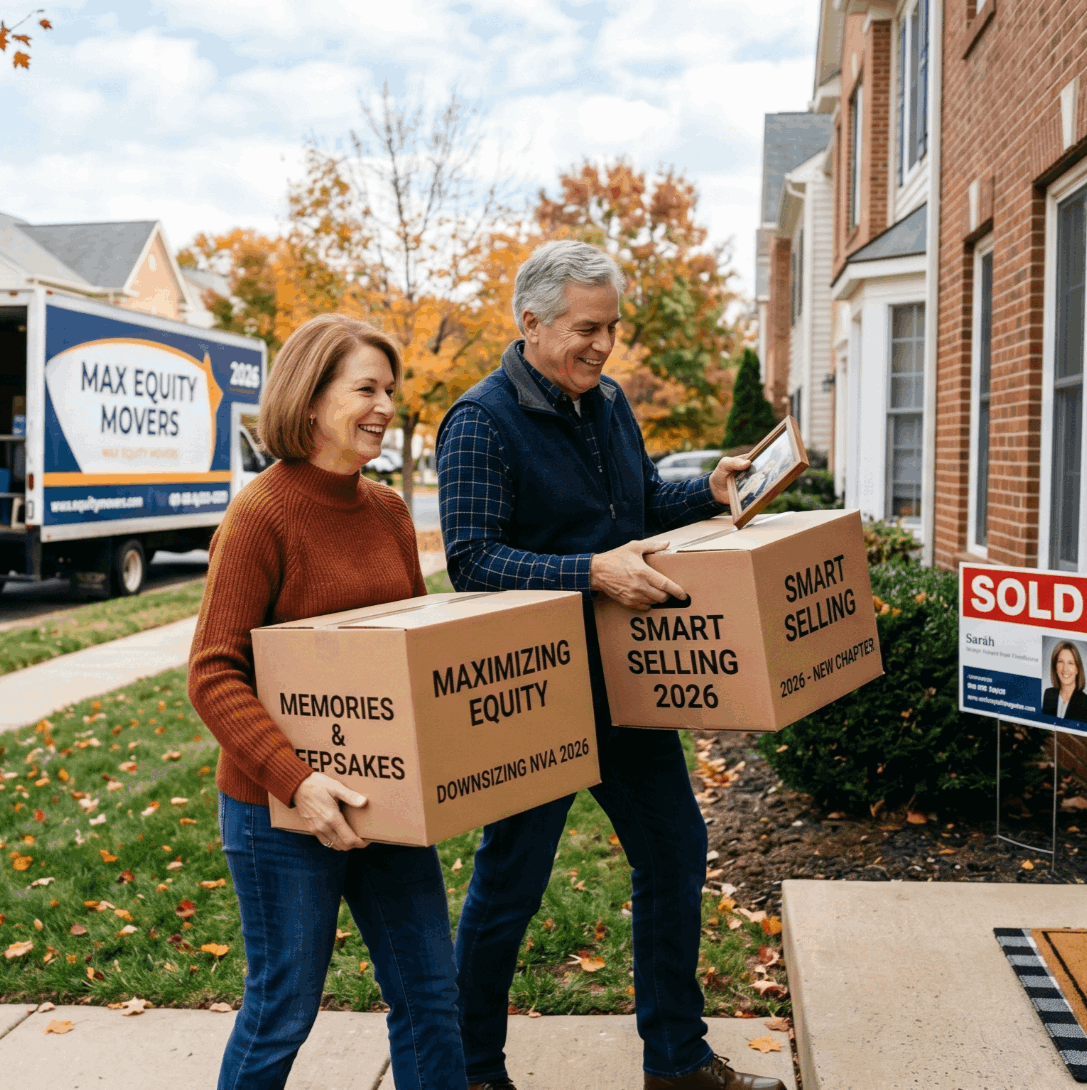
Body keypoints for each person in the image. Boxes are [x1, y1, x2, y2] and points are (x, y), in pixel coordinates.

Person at [436, 240, 783, 1090]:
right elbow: (472, 561)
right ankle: (472, 1070)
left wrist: (708, 489)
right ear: (532, 323)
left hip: (628, 683)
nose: (603, 346)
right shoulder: (480, 422)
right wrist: (588, 571)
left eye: (612, 329)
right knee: (511, 885)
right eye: (588, 329)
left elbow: (630, 505)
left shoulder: (610, 402)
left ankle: (677, 1061)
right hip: (536, 692)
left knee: (673, 851)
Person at [189, 314, 465, 1090]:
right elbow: (212, 673)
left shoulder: (387, 513)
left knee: (431, 994)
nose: (385, 407)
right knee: (283, 1008)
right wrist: (299, 782)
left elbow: (408, 651)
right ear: (311, 399)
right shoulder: (260, 516)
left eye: (390, 390)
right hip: (280, 806)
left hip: (385, 796)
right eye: (365, 389)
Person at [1041, 641, 1087, 721]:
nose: (1065, 668)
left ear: (1077, 669)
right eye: (1060, 662)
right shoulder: (1049, 694)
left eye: (1070, 663)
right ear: (1055, 667)